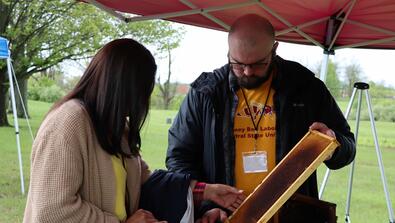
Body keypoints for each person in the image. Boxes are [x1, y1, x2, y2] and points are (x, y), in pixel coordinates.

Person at [23, 38, 244, 223]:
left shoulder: (116, 126)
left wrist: (204, 192)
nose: (142, 102)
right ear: (123, 87)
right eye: (142, 91)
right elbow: (52, 211)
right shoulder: (69, 122)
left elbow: (144, 181)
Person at [166, 14, 356, 221]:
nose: (247, 72)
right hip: (226, 218)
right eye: (237, 64)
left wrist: (330, 145)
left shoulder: (305, 88)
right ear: (228, 51)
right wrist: (206, 206)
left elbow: (348, 146)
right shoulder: (206, 93)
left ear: (274, 49)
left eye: (258, 64)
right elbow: (178, 159)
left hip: (292, 216)